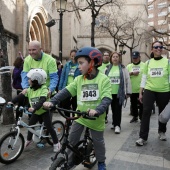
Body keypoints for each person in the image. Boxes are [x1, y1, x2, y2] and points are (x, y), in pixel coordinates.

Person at [43, 47, 112, 170]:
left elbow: (106, 98)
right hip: (80, 116)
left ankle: (101, 162)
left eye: (81, 63)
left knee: (98, 142)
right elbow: (66, 91)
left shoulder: (103, 79)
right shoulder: (79, 79)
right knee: (71, 140)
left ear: (92, 63)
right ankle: (69, 161)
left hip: (95, 118)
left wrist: (97, 110)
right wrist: (53, 101)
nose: (78, 66)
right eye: (77, 63)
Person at [9, 68, 60, 152]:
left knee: (49, 127)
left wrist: (34, 107)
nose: (28, 80)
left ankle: (56, 143)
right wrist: (12, 102)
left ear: (36, 80)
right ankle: (29, 140)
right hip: (36, 112)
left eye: (29, 79)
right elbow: (21, 96)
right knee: (30, 125)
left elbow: (42, 100)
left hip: (44, 111)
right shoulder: (30, 89)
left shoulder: (44, 89)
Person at [136, 41, 170, 146]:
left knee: (162, 113)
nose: (158, 48)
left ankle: (162, 131)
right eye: (156, 47)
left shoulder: (167, 62)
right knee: (146, 112)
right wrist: (141, 92)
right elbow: (144, 78)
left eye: (160, 47)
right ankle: (142, 137)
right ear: (152, 49)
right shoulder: (148, 63)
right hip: (149, 90)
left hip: (164, 90)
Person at [105, 51, 131, 134]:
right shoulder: (107, 68)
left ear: (119, 58)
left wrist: (128, 92)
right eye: (113, 57)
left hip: (119, 93)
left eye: (116, 57)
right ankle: (114, 123)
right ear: (111, 58)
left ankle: (117, 125)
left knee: (118, 109)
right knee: (112, 109)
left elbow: (127, 80)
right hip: (109, 92)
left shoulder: (123, 68)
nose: (115, 58)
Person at [58, 49, 81, 117]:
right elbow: (63, 76)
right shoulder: (67, 65)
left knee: (75, 105)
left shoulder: (80, 65)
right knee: (65, 105)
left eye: (75, 56)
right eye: (72, 56)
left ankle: (74, 119)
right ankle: (68, 119)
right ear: (70, 56)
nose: (73, 57)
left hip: (76, 88)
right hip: (66, 87)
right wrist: (60, 88)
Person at [126, 51, 145, 123]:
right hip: (132, 89)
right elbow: (125, 75)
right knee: (133, 104)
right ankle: (135, 116)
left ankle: (141, 117)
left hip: (141, 89)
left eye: (136, 58)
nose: (135, 59)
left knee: (142, 104)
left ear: (139, 57)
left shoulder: (144, 65)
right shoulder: (129, 66)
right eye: (133, 58)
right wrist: (131, 73)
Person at [98, 51, 110, 123]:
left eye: (107, 55)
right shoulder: (99, 65)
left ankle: (105, 116)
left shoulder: (110, 65)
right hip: (99, 86)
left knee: (106, 101)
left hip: (107, 85)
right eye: (105, 55)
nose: (106, 56)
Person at [12, 55, 24, 121]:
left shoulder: (20, 68)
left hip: (23, 88)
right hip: (19, 88)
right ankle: (18, 119)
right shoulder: (16, 69)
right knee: (20, 105)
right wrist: (21, 68)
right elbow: (15, 76)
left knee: (24, 104)